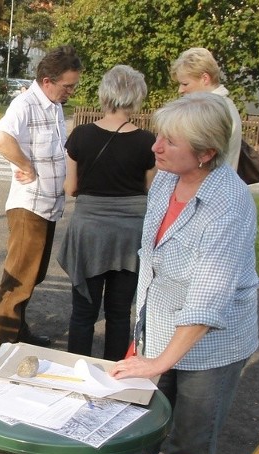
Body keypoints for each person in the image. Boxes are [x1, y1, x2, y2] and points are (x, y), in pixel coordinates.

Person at [107, 92, 259, 454]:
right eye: (159, 136)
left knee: (186, 450)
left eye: (170, 142)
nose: (155, 146)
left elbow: (207, 301)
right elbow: (154, 261)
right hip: (159, 332)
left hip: (209, 351)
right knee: (140, 430)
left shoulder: (227, 203)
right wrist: (142, 339)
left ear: (206, 153)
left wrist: (160, 363)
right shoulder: (166, 180)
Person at [57, 65, 156, 361]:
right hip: (129, 236)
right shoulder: (148, 142)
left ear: (105, 94)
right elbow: (150, 191)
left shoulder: (81, 136)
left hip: (90, 232)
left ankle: (77, 370)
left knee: (84, 312)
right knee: (119, 313)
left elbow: (72, 188)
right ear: (137, 96)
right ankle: (115, 374)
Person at [0, 45, 82, 351]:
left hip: (48, 206)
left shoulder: (53, 106)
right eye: (67, 85)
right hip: (29, 206)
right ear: (47, 81)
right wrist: (25, 165)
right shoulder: (25, 104)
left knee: (33, 275)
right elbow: (0, 137)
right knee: (18, 278)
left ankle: (18, 332)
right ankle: (2, 344)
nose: (70, 91)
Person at [171, 47, 243, 170]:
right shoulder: (226, 104)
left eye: (185, 84)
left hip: (209, 185)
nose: (180, 90)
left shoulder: (210, 111)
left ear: (205, 78)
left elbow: (192, 159)